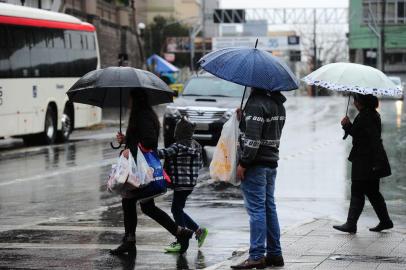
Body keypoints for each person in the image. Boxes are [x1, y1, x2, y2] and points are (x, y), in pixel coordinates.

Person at [110, 90, 193, 256]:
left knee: (130, 201)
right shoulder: (144, 114)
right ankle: (179, 232)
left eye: (130, 97)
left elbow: (149, 141)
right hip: (141, 168)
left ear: (135, 98)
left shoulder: (142, 116)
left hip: (143, 169)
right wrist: (126, 140)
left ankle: (130, 240)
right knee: (145, 206)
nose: (128, 101)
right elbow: (141, 138)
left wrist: (130, 149)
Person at [231, 88, 286, 269]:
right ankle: (275, 254)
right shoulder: (278, 105)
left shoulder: (256, 104)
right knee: (269, 207)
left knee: (256, 210)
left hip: (256, 165)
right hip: (271, 163)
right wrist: (243, 120)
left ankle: (256, 256)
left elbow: (253, 140)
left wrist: (244, 163)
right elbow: (267, 133)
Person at [333, 93, 393, 234]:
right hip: (369, 160)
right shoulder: (370, 114)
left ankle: (351, 224)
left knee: (358, 190)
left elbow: (371, 139)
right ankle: (385, 221)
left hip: (365, 161)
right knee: (372, 192)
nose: (354, 103)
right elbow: (360, 134)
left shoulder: (367, 116)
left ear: (361, 102)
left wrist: (347, 125)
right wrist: (348, 126)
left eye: (356, 100)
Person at [157, 117, 208, 253]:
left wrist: (146, 150)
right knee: (178, 209)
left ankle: (181, 239)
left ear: (178, 133)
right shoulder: (197, 145)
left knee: (176, 210)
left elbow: (162, 154)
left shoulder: (177, 146)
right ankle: (198, 230)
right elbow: (202, 164)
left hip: (179, 184)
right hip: (189, 184)